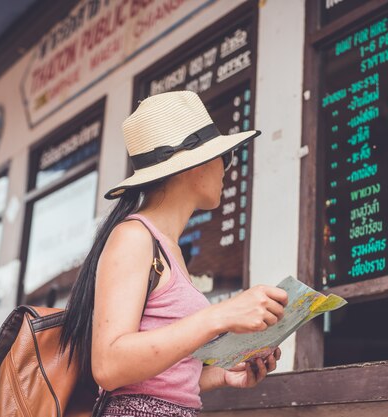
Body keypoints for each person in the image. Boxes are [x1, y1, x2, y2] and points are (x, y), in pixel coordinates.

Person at [60, 90, 288, 417]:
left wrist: (222, 374)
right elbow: (109, 365)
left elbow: (159, 380)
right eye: (224, 157)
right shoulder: (134, 237)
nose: (227, 168)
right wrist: (219, 315)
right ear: (193, 167)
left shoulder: (168, 249)